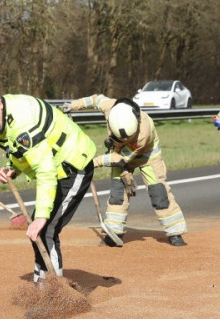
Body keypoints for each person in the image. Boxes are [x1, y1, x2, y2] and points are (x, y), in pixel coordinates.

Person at [0, 86, 97, 282]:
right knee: (41, 230)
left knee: (46, 230)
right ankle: (43, 283)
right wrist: (13, 166)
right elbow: (19, 147)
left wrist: (42, 216)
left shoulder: (22, 122)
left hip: (73, 164)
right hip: (56, 166)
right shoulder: (5, 112)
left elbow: (45, 170)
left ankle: (54, 293)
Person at [62, 94, 187, 246]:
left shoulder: (142, 134)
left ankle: (175, 232)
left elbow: (118, 159)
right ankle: (114, 231)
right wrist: (73, 105)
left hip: (147, 157)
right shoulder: (111, 108)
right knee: (118, 193)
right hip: (119, 153)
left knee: (158, 192)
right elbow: (95, 100)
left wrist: (89, 163)